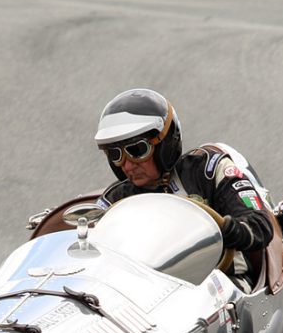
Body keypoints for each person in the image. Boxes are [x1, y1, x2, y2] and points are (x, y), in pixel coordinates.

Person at [94, 88, 273, 265]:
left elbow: (260, 224)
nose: (127, 165)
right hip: (147, 289)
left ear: (165, 144)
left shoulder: (210, 170)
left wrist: (225, 230)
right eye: (115, 155)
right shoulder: (113, 202)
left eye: (137, 150)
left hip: (220, 282)